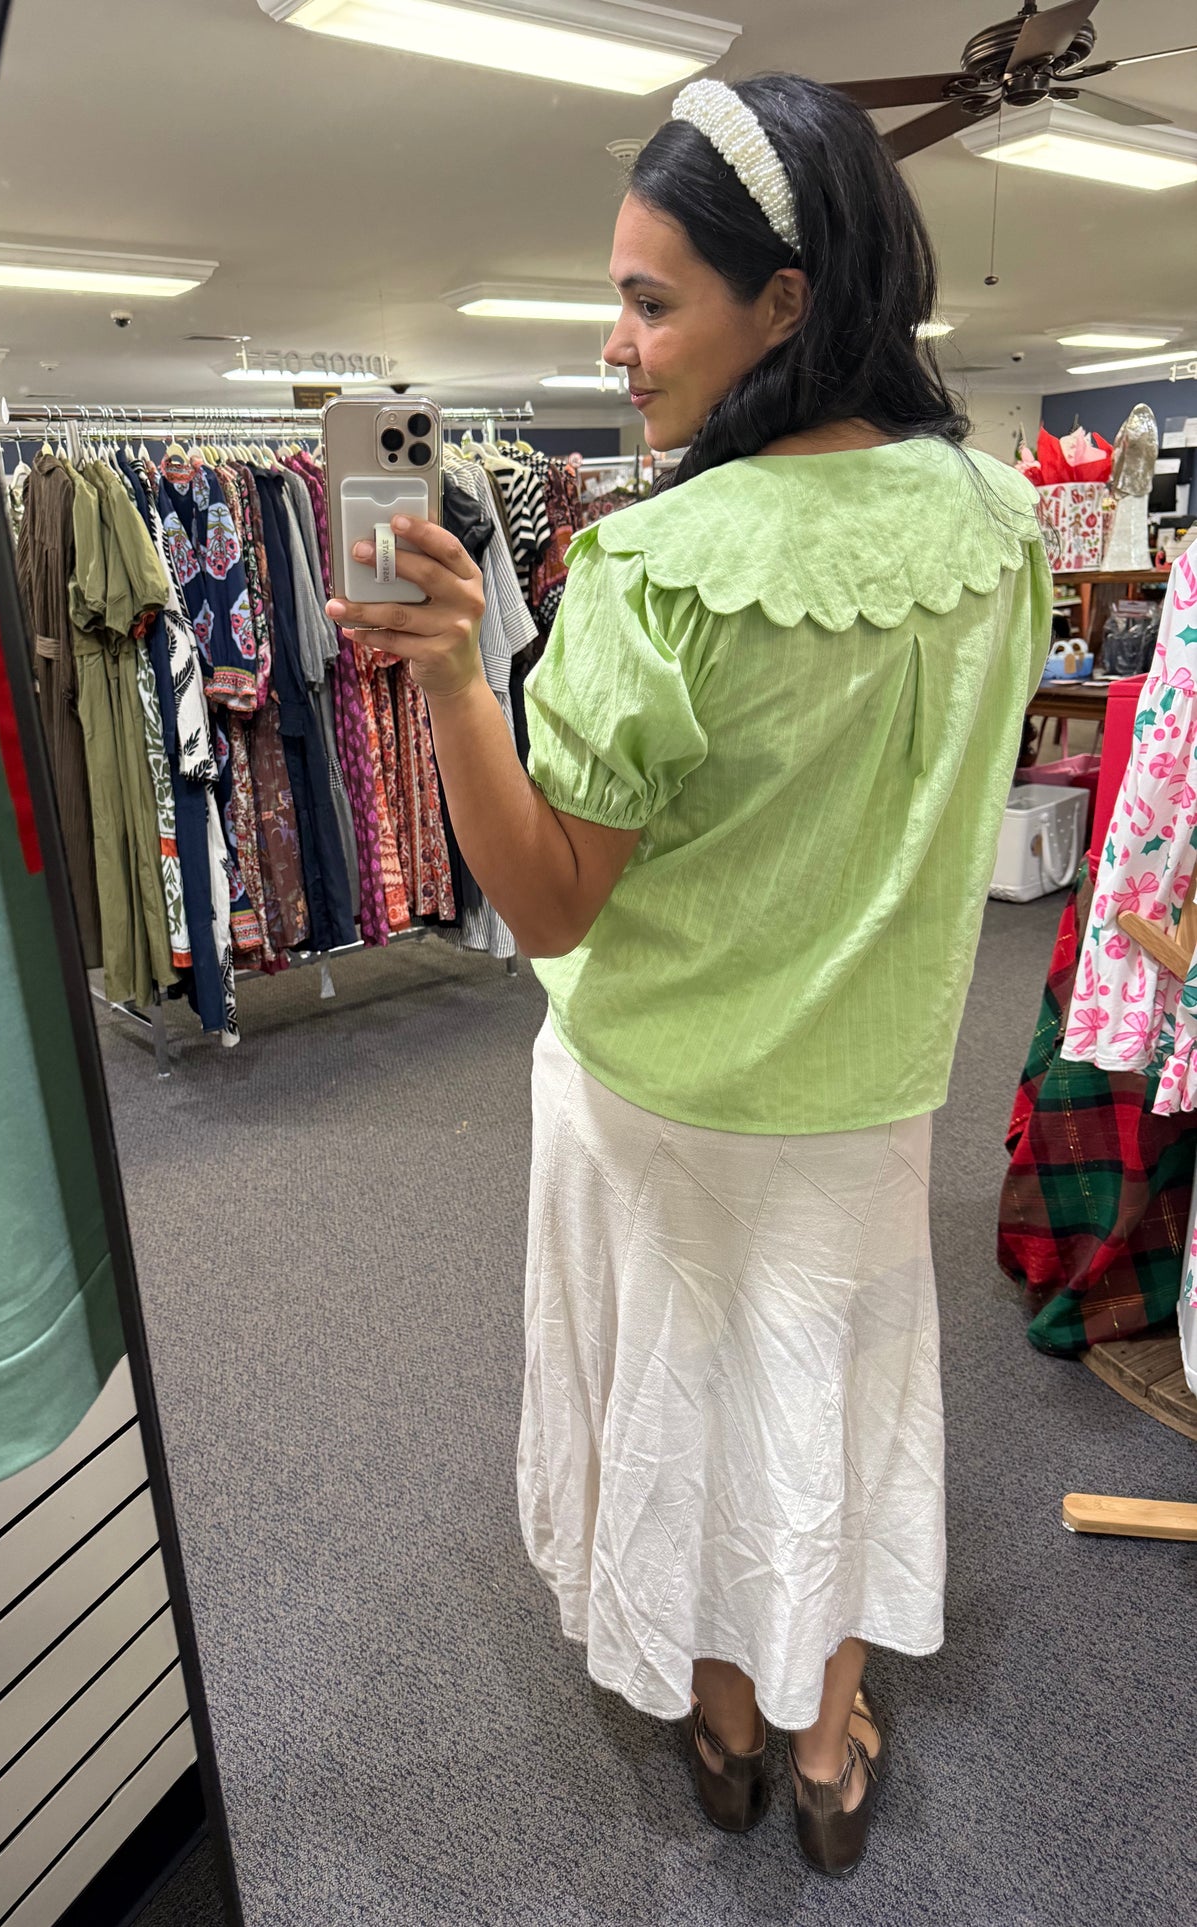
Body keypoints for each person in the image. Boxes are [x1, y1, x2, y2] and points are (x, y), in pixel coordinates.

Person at [326, 73, 1050, 1877]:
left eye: (652, 299)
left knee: (692, 1405)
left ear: (785, 304)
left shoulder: (653, 566)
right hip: (869, 1099)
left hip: (654, 1097)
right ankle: (825, 1744)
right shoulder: (1004, 525)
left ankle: (718, 1724)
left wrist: (450, 685)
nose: (617, 337)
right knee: (834, 1404)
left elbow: (552, 902)